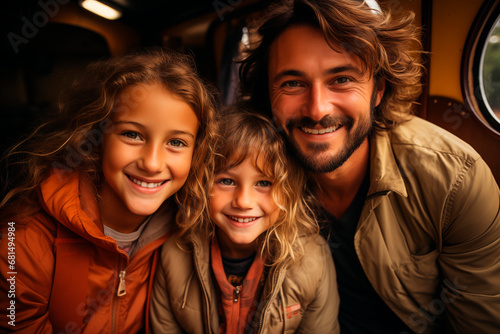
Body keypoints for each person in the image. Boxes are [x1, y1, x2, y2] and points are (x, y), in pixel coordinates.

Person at [238, 0, 500, 333]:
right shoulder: (246, 174)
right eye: (293, 83)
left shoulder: (454, 179)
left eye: (342, 79)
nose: (317, 109)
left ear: (378, 89)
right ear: (268, 94)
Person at [0, 48, 218, 333]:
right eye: (132, 134)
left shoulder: (189, 230)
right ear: (96, 136)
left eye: (176, 142)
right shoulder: (22, 238)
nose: (152, 163)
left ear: (196, 154)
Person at [150, 108, 339, 333]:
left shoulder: (313, 258)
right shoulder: (175, 254)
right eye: (227, 181)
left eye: (264, 183)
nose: (243, 201)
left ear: (289, 192)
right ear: (202, 184)